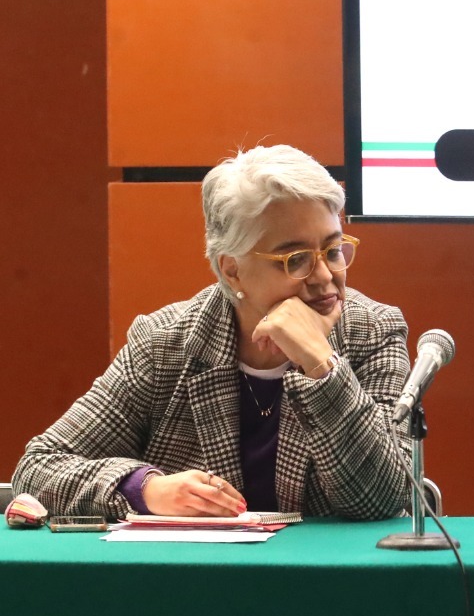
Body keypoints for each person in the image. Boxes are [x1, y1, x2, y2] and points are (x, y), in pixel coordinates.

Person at [14, 145, 411, 520]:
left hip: (327, 570)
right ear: (232, 269)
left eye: (333, 250)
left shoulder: (371, 332)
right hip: (196, 570)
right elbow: (39, 467)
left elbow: (383, 498)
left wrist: (322, 366)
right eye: (295, 260)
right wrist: (145, 489)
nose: (325, 277)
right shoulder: (166, 343)